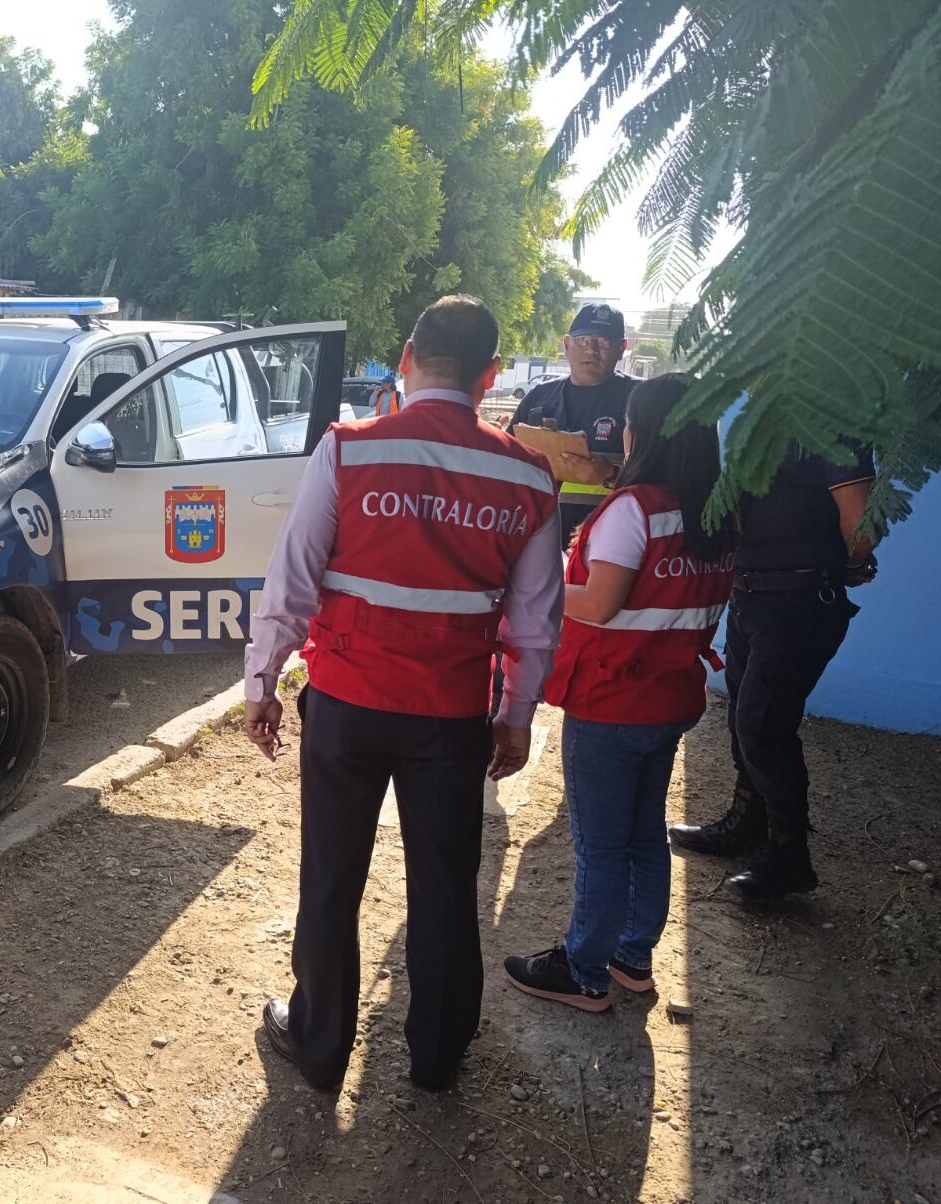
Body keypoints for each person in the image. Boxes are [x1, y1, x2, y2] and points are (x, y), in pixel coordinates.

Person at [242, 295, 564, 1092]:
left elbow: (292, 579)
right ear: (490, 375)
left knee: (331, 875)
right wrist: (515, 717)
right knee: (448, 884)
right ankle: (437, 1055)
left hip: (347, 703)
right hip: (452, 715)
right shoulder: (526, 476)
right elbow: (535, 621)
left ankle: (319, 1048)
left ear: (407, 356)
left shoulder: (349, 450)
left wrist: (262, 680)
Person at [502, 375, 733, 1011]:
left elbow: (599, 604)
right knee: (643, 835)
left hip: (612, 700)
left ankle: (583, 971)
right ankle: (632, 957)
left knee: (600, 846)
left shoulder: (635, 510)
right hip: (668, 697)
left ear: (644, 432)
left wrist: (532, 588)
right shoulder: (714, 510)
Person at [668, 438, 878, 900]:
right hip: (750, 599)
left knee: (762, 725)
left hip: (799, 603)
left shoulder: (836, 431)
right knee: (743, 715)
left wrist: (843, 562)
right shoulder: (763, 428)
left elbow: (862, 526)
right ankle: (748, 823)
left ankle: (789, 858)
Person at [512, 304, 636, 545]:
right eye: (583, 340)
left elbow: (666, 481)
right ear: (567, 345)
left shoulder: (640, 400)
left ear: (622, 349)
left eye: (603, 342)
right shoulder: (539, 398)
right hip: (536, 539)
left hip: (611, 545)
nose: (591, 351)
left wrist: (611, 475)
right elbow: (507, 461)